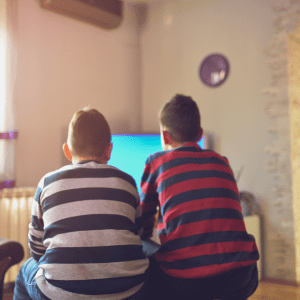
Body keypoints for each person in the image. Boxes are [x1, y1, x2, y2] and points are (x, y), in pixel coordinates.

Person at [14, 107, 149, 300]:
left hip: (61, 295)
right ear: (109, 150)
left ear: (67, 151)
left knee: (25, 271)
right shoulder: (127, 182)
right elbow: (139, 234)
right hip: (130, 291)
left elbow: (36, 248)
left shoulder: (47, 183)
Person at [140, 94, 259, 300]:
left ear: (164, 136)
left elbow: (142, 222)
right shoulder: (222, 162)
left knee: (140, 244)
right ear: (200, 133)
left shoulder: (156, 163)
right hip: (242, 278)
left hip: (187, 286)